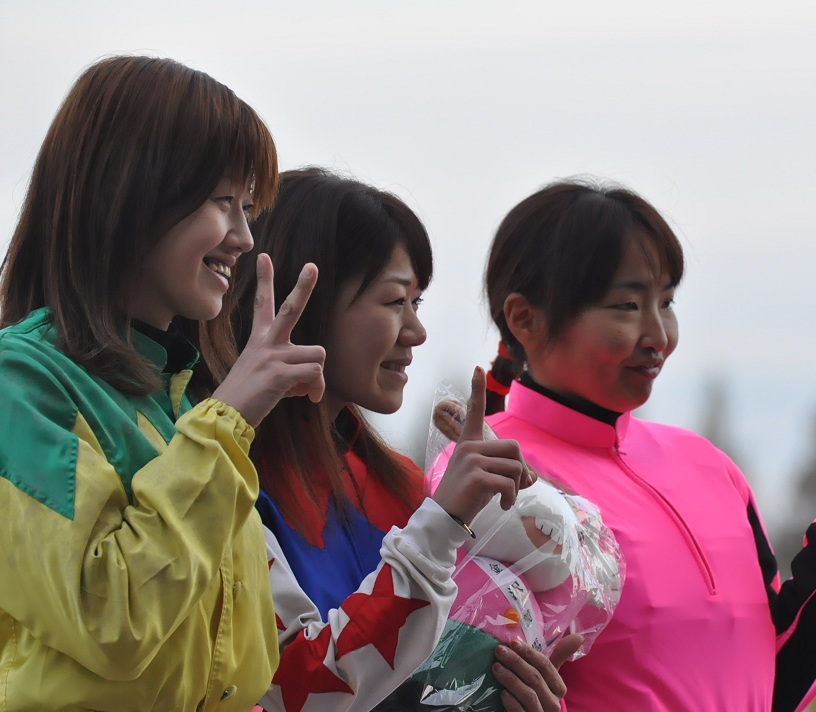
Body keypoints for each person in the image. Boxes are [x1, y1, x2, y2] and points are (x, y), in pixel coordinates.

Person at [459, 178, 816, 712]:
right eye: (627, 306)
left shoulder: (709, 467)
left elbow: (776, 682)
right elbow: (456, 689)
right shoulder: (492, 473)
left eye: (666, 302)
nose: (659, 336)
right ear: (525, 318)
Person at [0, 56, 327, 710]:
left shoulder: (182, 402)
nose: (243, 237)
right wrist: (228, 421)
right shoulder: (21, 382)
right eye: (223, 202)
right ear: (127, 190)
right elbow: (111, 616)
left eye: (249, 208)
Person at [228, 167, 581, 712]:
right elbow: (294, 688)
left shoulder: (405, 486)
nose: (416, 332)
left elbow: (425, 689)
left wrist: (496, 690)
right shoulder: (224, 483)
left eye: (418, 303)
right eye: (396, 302)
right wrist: (443, 524)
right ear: (307, 304)